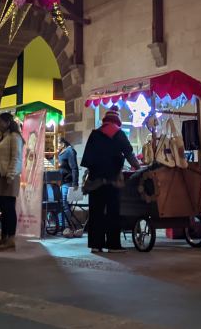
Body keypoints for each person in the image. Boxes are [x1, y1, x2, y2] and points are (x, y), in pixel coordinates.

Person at [80, 106, 140, 254]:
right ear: (116, 121)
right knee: (113, 212)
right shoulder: (117, 133)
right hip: (111, 180)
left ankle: (96, 245)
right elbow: (128, 152)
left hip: (95, 181)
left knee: (96, 213)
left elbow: (87, 159)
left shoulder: (95, 134)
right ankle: (113, 245)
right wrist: (136, 166)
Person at [0, 113, 23, 252]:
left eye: (0, 122)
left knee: (9, 208)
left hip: (9, 176)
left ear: (7, 122)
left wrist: (11, 174)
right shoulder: (0, 138)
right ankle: (4, 237)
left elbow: (17, 157)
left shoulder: (14, 137)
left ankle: (11, 239)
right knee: (2, 208)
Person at [57, 137, 82, 238]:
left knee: (64, 203)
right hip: (63, 182)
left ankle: (72, 226)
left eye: (58, 144)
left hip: (68, 182)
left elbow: (74, 167)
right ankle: (66, 226)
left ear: (63, 144)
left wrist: (75, 183)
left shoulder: (69, 151)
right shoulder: (62, 153)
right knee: (64, 204)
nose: (57, 146)